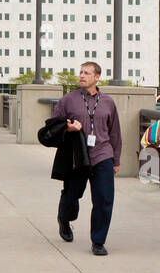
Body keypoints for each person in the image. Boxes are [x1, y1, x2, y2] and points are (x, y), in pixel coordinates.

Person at [48, 61, 120, 255]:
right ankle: (64, 219)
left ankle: (98, 241)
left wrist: (116, 160)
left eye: (87, 73)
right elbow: (53, 125)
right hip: (77, 156)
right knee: (71, 196)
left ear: (97, 77)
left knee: (104, 199)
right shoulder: (68, 100)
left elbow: (115, 133)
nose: (82, 76)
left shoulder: (108, 102)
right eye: (80, 72)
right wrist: (67, 127)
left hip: (103, 154)